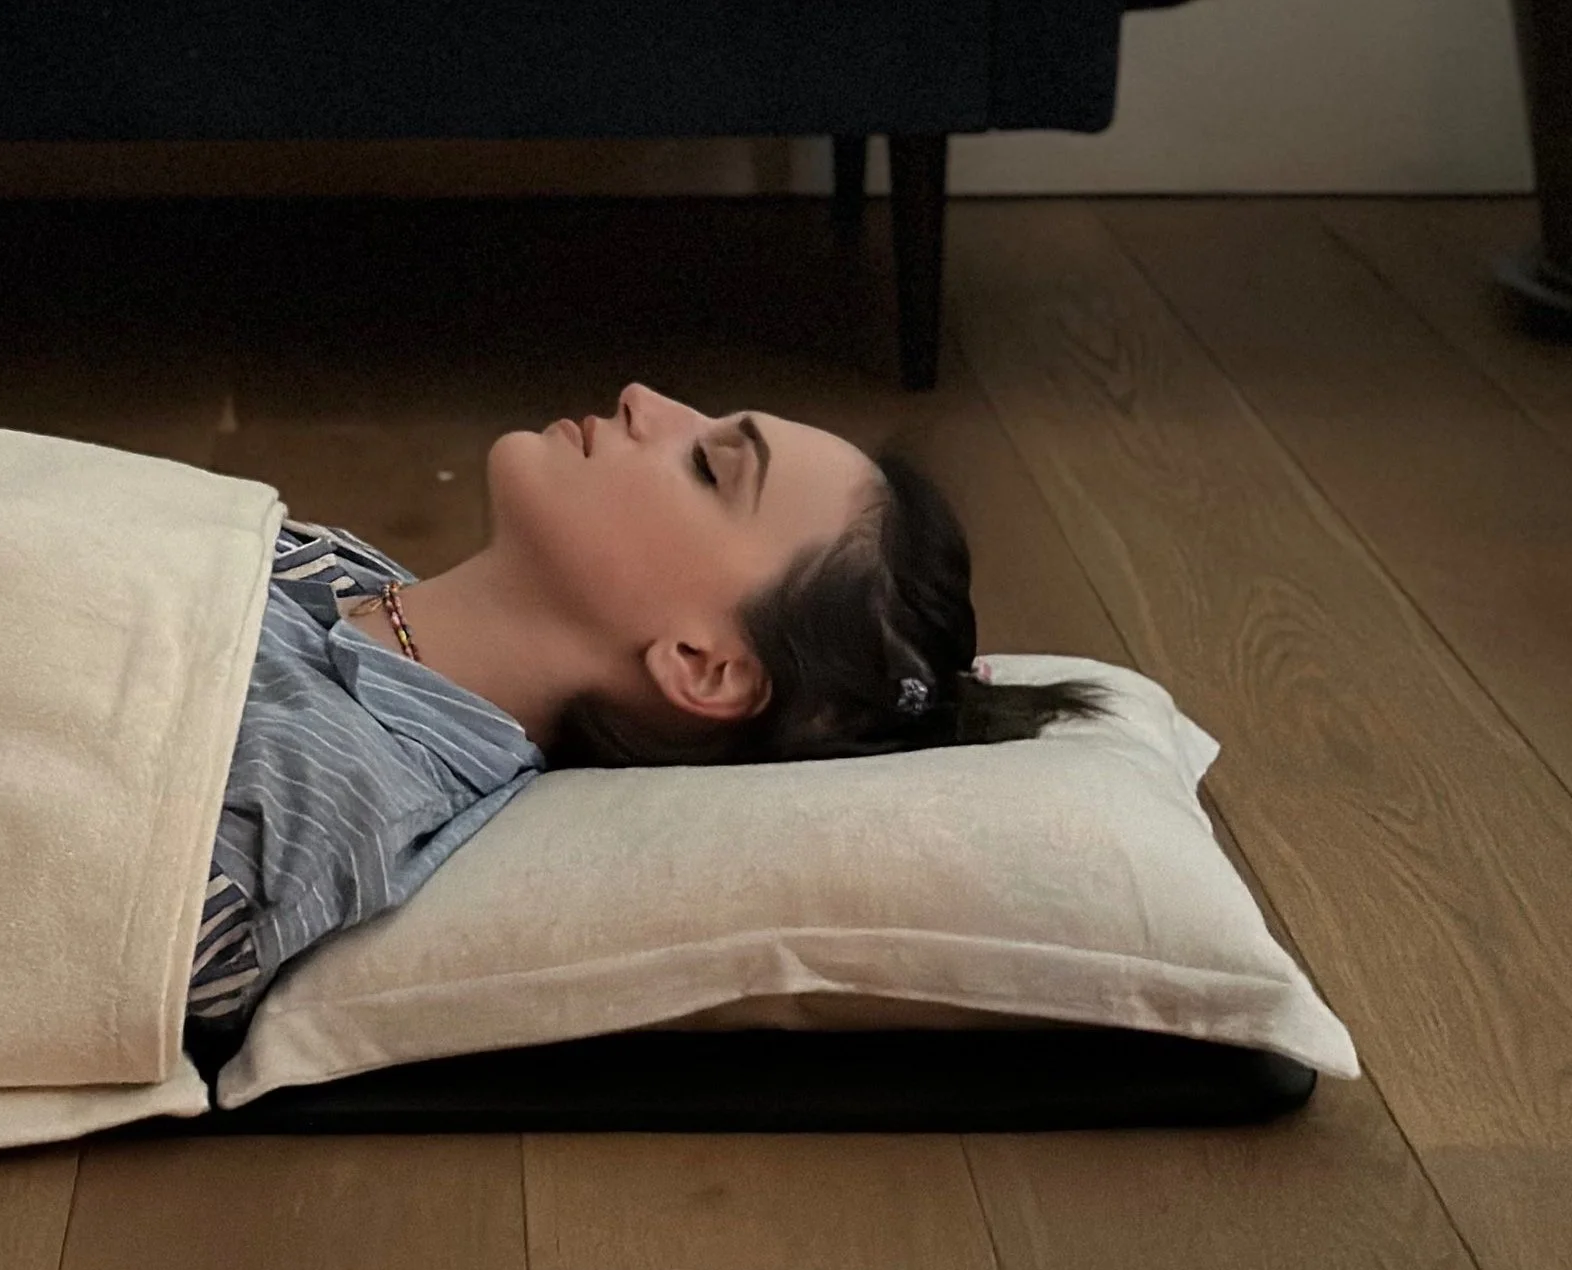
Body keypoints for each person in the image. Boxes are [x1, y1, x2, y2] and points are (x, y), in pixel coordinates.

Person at [184, 381, 1110, 1068]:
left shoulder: (316, 808)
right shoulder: (325, 566)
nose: (642, 398)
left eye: (708, 465)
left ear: (703, 664)